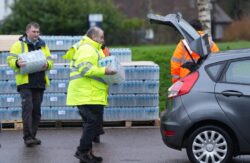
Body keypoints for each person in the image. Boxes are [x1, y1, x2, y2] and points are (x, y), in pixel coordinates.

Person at [66, 27, 116, 163]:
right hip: (86, 93)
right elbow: (85, 69)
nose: (103, 40)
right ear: (94, 37)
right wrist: (104, 71)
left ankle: (87, 154)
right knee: (92, 123)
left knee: (92, 123)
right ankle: (82, 151)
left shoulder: (93, 49)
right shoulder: (87, 49)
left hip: (90, 92)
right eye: (101, 37)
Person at [7, 22, 53, 147]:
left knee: (36, 111)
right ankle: (27, 137)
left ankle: (33, 135)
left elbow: (50, 60)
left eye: (38, 32)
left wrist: (47, 65)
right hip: (25, 82)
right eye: (34, 32)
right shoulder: (18, 45)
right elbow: (10, 59)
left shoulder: (43, 45)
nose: (36, 34)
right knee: (28, 108)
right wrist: (17, 63)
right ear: (27, 32)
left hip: (39, 81)